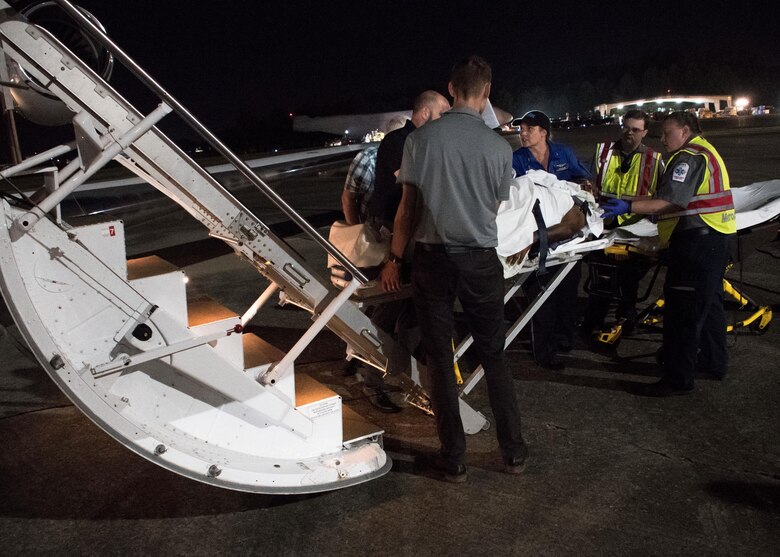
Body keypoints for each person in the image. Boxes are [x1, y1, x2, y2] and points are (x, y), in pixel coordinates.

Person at [381, 55, 528, 482]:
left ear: (450, 88)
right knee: (494, 355)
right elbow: (497, 202)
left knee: (440, 360)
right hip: (480, 259)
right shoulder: (501, 147)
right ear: (486, 92)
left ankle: (454, 457)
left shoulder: (421, 141)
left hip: (433, 257)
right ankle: (513, 452)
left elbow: (406, 212)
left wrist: (393, 258)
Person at [601, 111, 736, 396]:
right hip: (716, 239)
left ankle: (677, 378)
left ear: (685, 131)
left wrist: (628, 208)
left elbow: (670, 202)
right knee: (710, 305)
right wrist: (631, 203)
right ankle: (714, 362)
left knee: (681, 314)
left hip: (695, 245)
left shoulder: (688, 157)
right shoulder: (707, 151)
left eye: (667, 133)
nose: (662, 139)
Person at [355, 93, 449, 413]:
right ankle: (372, 377)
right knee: (391, 306)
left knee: (412, 309)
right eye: (442, 114)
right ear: (424, 113)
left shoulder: (420, 141)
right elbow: (408, 188)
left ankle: (404, 376)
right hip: (398, 235)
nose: (445, 121)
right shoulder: (400, 141)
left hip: (413, 234)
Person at [511, 110, 591, 370]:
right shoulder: (516, 160)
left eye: (528, 128)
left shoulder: (563, 153)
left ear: (543, 132)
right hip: (539, 235)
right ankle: (544, 352)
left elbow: (583, 176)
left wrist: (586, 186)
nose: (522, 133)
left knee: (568, 289)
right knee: (541, 295)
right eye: (520, 128)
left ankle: (565, 338)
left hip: (567, 235)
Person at [581, 109, 665, 338]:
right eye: (626, 127)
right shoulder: (603, 152)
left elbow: (661, 196)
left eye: (635, 130)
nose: (629, 133)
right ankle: (594, 319)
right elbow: (591, 184)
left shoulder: (654, 160)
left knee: (629, 277)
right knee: (602, 276)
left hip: (637, 226)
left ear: (645, 132)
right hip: (604, 222)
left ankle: (626, 312)